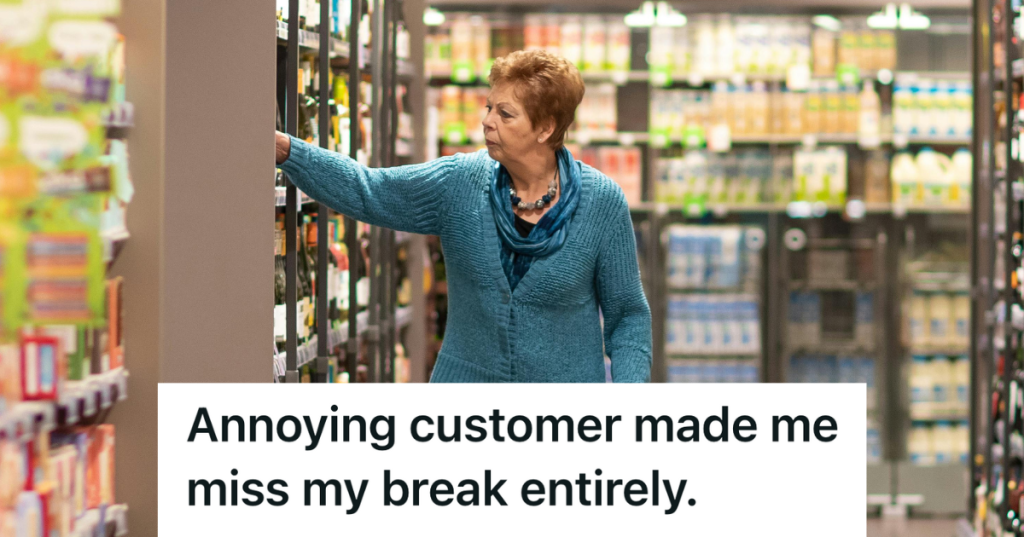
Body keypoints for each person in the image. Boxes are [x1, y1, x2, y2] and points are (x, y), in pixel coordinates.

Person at [276, 49, 651, 382]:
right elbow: (369, 190)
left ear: (546, 128)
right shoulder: (459, 183)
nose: (487, 121)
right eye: (489, 107)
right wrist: (290, 151)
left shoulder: (601, 203)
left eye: (505, 114)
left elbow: (628, 317)